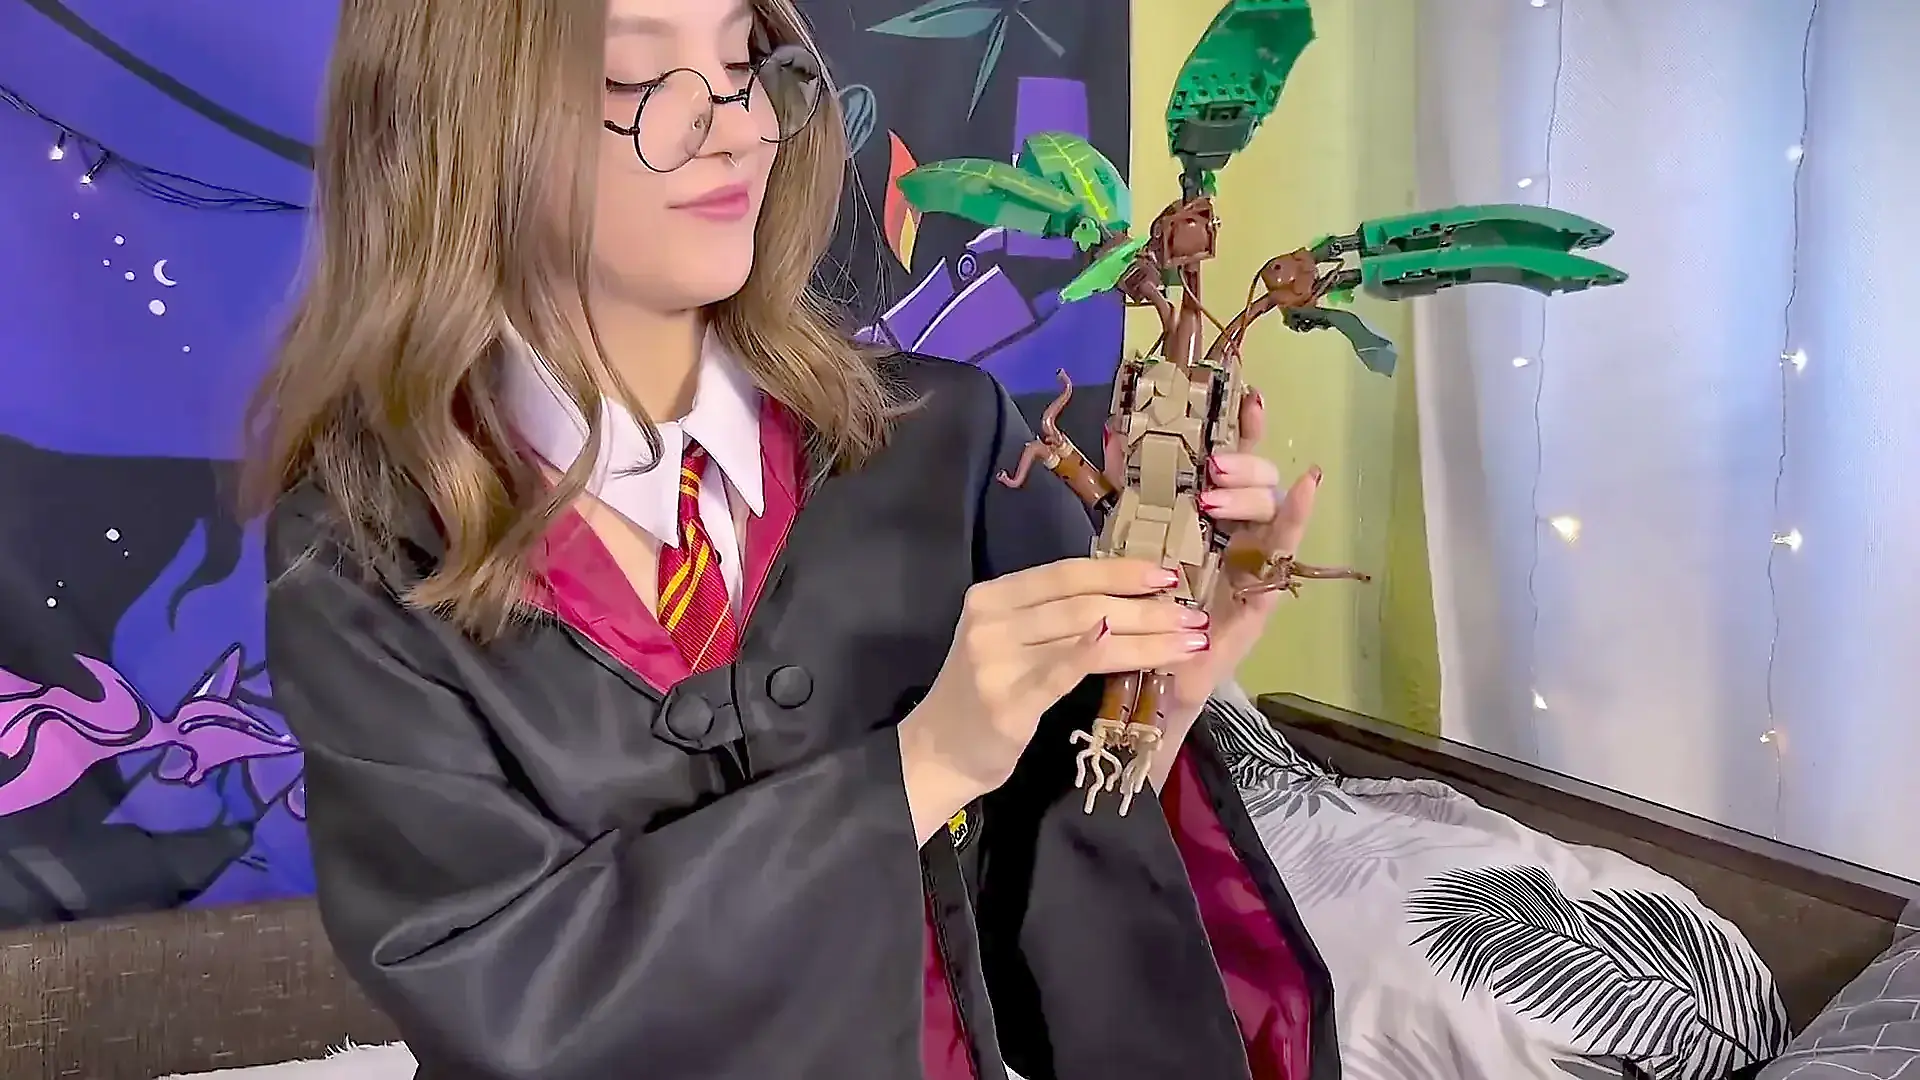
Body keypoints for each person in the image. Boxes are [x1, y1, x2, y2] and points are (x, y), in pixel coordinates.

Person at [246, 1, 1337, 1078]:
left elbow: (1061, 911)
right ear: (460, 123)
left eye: (745, 65)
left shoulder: (947, 444)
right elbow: (506, 995)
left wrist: (1152, 699)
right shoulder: (362, 558)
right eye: (636, 77)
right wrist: (919, 766)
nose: (735, 126)